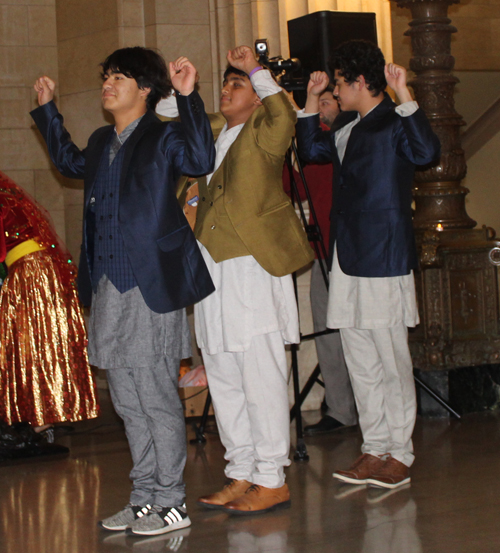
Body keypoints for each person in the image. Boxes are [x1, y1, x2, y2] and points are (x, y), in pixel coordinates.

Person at [30, 46, 215, 536]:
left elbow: (200, 156)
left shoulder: (163, 135)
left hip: (150, 283)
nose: (107, 84)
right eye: (106, 76)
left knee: (155, 396)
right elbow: (69, 162)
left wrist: (189, 96)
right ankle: (144, 498)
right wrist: (48, 111)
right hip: (110, 284)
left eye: (118, 77)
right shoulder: (99, 140)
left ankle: (171, 501)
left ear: (146, 89)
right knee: (128, 400)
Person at [157, 45, 313, 515]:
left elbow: (285, 113)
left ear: (257, 97)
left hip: (252, 266)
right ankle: (240, 471)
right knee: (222, 370)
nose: (227, 90)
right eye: (224, 84)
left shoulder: (267, 130)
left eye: (236, 84)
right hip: (211, 265)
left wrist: (256, 70)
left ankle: (271, 477)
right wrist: (181, 84)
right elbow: (164, 114)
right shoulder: (213, 135)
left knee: (260, 373)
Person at [296, 40, 440, 489]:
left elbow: (427, 152)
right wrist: (306, 105)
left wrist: (405, 94)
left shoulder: (394, 121)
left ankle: (399, 452)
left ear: (361, 82)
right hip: (347, 256)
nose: (335, 93)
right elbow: (311, 152)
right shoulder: (346, 128)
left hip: (384, 255)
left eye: (340, 84)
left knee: (390, 358)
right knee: (360, 357)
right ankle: (374, 446)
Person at [283, 85, 357, 435]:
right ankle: (341, 409)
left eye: (326, 101)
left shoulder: (341, 140)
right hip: (321, 253)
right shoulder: (311, 147)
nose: (321, 107)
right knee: (328, 334)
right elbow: (292, 185)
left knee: (357, 333)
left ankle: (366, 407)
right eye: (319, 102)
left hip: (350, 250)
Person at [0, 171, 99, 431]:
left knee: (30, 346)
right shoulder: (8, 193)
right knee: (43, 342)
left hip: (30, 273)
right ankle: (45, 413)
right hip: (38, 269)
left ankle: (41, 417)